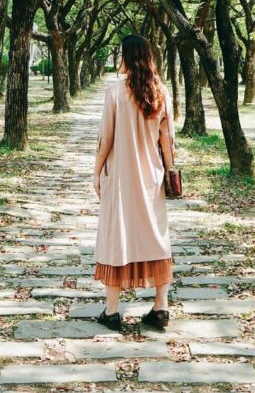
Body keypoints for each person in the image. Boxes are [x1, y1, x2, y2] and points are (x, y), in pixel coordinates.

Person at [92, 34, 175, 332]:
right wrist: (169, 171)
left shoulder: (115, 92)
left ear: (127, 57)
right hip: (151, 177)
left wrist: (96, 170)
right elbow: (167, 140)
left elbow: (107, 139)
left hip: (121, 177)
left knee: (118, 236)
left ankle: (112, 311)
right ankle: (161, 307)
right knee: (155, 236)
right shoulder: (160, 92)